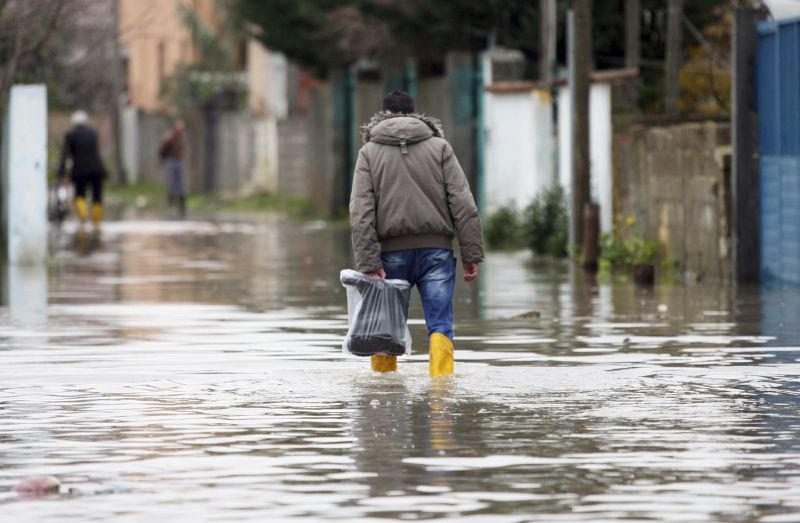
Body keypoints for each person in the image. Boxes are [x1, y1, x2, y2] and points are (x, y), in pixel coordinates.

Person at [349, 91, 484, 377]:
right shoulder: (440, 147)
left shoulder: (369, 153)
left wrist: (369, 264)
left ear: (382, 115)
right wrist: (471, 253)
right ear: (415, 114)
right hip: (437, 253)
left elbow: (360, 211)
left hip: (390, 256)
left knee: (383, 328)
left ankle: (383, 399)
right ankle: (442, 397)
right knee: (440, 325)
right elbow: (464, 203)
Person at [57, 110, 107, 226]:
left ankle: (83, 217)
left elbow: (65, 154)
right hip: (97, 169)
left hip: (80, 170)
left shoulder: (70, 135)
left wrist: (61, 171)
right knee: (97, 196)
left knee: (80, 194)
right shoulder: (93, 133)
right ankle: (96, 222)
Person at [159, 120, 186, 216]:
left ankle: (182, 206)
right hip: (171, 161)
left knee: (181, 184)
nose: (181, 130)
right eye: (179, 128)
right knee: (171, 184)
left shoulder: (181, 138)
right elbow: (162, 150)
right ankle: (171, 205)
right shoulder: (169, 138)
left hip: (179, 161)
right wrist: (163, 161)